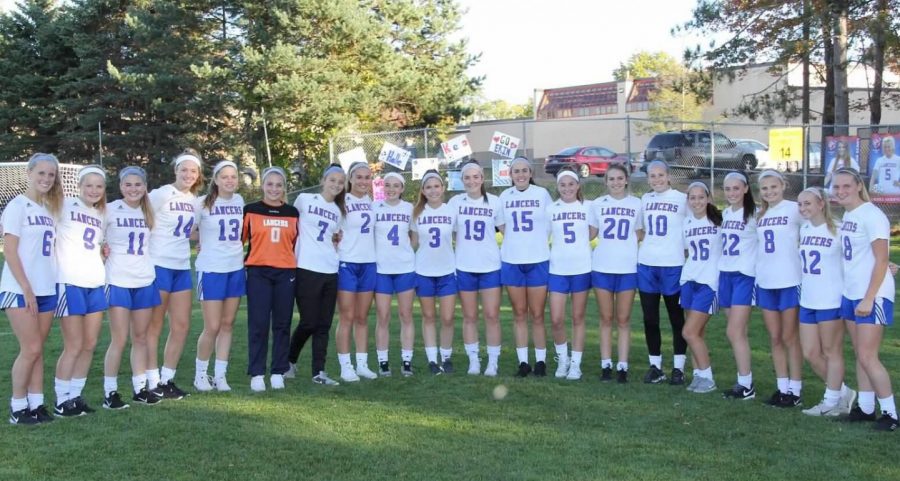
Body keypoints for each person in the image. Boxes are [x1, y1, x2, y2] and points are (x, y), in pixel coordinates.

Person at [832, 168, 898, 431]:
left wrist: (869, 298)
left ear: (859, 185)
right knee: (860, 354)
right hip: (852, 292)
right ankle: (867, 408)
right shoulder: (849, 214)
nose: (841, 191)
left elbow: (882, 258)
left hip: (872, 294)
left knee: (869, 356)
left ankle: (891, 414)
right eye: (836, 187)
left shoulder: (872, 214)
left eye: (846, 186)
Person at [2, 153, 63, 424]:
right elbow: (10, 251)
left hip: (46, 287)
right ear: (29, 173)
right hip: (20, 288)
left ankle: (36, 404)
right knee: (30, 348)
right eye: (41, 173)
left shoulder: (49, 209)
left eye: (51, 175)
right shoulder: (17, 206)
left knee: (38, 348)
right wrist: (26, 288)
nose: (46, 179)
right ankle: (17, 407)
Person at [102, 166, 162, 407]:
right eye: (128, 184)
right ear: (120, 186)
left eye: (138, 184)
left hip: (144, 280)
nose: (133, 189)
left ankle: (140, 388)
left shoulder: (150, 212)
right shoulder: (109, 210)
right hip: (118, 280)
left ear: (145, 187)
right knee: (119, 339)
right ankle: (110, 392)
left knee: (140, 337)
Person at [147, 149, 204, 399]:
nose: (188, 175)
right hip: (158, 264)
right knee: (154, 325)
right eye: (184, 170)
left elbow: (190, 232)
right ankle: (151, 380)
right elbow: (141, 219)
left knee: (181, 325)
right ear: (175, 170)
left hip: (181, 266)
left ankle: (167, 378)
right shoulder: (161, 194)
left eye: (193, 171)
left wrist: (208, 240)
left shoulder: (196, 200)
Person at [795, 187, 856, 416]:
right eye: (800, 204)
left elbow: (857, 256)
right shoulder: (805, 228)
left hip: (831, 299)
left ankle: (831, 402)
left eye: (808, 203)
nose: (803, 208)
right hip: (808, 298)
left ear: (821, 203)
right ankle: (842, 393)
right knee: (810, 352)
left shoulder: (838, 230)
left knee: (832, 352)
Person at [53, 165, 108, 416]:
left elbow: (96, 246)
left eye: (99, 186)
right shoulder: (63, 206)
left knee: (89, 344)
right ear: (79, 186)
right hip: (70, 281)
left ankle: (75, 395)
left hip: (95, 282)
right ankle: (61, 399)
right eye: (89, 185)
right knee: (73, 345)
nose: (93, 190)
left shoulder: (101, 214)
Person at [288, 164, 346, 385]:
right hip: (305, 267)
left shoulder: (339, 211)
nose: (336, 185)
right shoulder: (304, 200)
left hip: (330, 268)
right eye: (332, 180)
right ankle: (289, 359)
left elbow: (336, 237)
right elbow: (290, 227)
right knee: (309, 322)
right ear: (323, 181)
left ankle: (318, 372)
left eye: (340, 183)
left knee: (324, 324)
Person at [243, 167, 298, 392]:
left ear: (284, 187)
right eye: (270, 184)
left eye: (278, 184)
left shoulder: (293, 213)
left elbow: (298, 243)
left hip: (286, 272)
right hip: (258, 271)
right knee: (258, 323)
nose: (274, 188)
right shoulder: (250, 210)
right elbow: (237, 241)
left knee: (283, 323)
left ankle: (278, 370)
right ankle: (257, 372)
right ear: (263, 185)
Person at [192, 161, 245, 392]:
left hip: (235, 267)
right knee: (212, 325)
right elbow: (188, 230)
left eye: (233, 177)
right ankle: (200, 374)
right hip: (212, 268)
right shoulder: (202, 203)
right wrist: (201, 240)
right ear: (216, 179)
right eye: (225, 177)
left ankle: (220, 375)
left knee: (227, 324)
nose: (229, 181)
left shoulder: (239, 201)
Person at [449, 161, 505, 376]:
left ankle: (493, 361)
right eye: (467, 177)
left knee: (492, 315)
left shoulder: (495, 202)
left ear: (482, 178)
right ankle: (474, 360)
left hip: (490, 265)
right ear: (462, 180)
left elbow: (505, 230)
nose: (471, 181)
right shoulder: (455, 202)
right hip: (464, 265)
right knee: (469, 316)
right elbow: (453, 233)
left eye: (475, 177)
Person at [498, 157, 552, 377]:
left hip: (538, 258)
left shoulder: (542, 195)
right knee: (519, 313)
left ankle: (540, 361)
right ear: (510, 175)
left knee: (537, 314)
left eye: (524, 171)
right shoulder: (504, 197)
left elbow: (549, 225)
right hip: (512, 260)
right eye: (516, 171)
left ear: (531, 173)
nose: (520, 175)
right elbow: (501, 226)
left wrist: (533, 242)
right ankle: (523, 362)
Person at [755, 169, 804, 407]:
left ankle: (795, 390)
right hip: (766, 281)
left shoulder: (794, 208)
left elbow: (823, 224)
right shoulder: (759, 214)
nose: (769, 192)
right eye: (764, 188)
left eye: (773, 187)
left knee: (790, 337)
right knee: (775, 338)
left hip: (789, 280)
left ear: (783, 186)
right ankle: (782, 387)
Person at [589, 163, 641, 383]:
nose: (616, 183)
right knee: (605, 318)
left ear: (627, 180)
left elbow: (640, 234)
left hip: (627, 268)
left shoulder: (637, 204)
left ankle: (622, 366)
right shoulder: (597, 204)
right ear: (606, 182)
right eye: (611, 179)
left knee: (623, 319)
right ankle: (606, 365)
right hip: (602, 267)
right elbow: (590, 233)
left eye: (620, 178)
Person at [637, 160, 688, 385]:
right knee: (650, 318)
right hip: (647, 263)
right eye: (652, 176)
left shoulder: (681, 199)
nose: (656, 179)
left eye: (660, 175)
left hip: (672, 265)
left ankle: (679, 367)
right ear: (648, 178)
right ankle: (655, 366)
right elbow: (640, 229)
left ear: (668, 176)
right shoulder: (645, 200)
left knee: (676, 318)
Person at [332, 162, 378, 381]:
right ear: (350, 179)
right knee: (347, 316)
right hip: (347, 263)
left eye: (367, 177)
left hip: (368, 263)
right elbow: (332, 233)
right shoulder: (342, 202)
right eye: (358, 177)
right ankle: (345, 365)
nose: (363, 181)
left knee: (362, 317)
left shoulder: (373, 203)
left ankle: (362, 363)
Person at [547, 169, 592, 380]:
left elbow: (593, 233)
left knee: (577, 317)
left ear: (578, 185)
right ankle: (562, 359)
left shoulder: (588, 207)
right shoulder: (551, 209)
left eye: (571, 184)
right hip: (557, 269)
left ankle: (576, 363)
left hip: (581, 268)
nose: (567, 188)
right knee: (556, 319)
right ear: (557, 187)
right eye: (562, 184)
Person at [369, 172, 416, 377]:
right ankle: (383, 361)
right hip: (382, 269)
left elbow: (414, 236)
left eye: (396, 186)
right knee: (383, 316)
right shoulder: (374, 207)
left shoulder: (409, 208)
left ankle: (407, 361)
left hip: (404, 267)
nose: (391, 189)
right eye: (387, 185)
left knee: (406, 315)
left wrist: (406, 253)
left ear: (402, 188)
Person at [411, 170, 457, 375]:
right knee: (428, 316)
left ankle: (446, 357)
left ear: (443, 188)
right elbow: (412, 243)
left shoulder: (452, 210)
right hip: (423, 270)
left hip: (447, 270)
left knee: (447, 317)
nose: (433, 190)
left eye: (436, 186)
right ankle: (432, 359)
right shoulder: (416, 213)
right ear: (423, 190)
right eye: (428, 187)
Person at [718, 172, 759, 400]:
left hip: (745, 276)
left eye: (736, 188)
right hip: (726, 274)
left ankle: (746, 383)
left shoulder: (755, 214)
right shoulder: (725, 213)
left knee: (734, 331)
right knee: (738, 333)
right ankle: (744, 382)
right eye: (728, 189)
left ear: (745, 189)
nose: (732, 193)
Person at [679, 182, 723, 394]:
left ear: (708, 198)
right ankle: (698, 375)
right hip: (689, 280)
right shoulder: (686, 223)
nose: (696, 201)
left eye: (700, 197)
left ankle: (707, 377)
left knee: (689, 332)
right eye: (692, 198)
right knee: (698, 332)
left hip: (709, 282)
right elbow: (687, 252)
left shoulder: (719, 222)